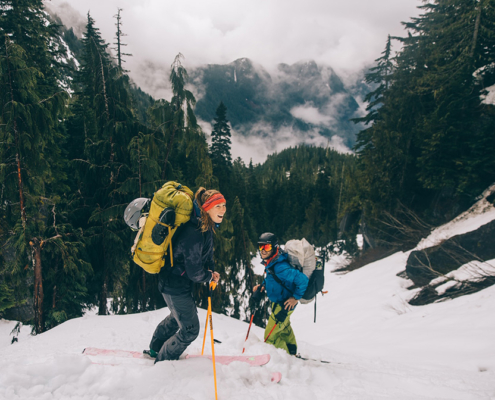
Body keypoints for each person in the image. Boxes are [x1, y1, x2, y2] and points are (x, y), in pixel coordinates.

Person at [147, 187, 226, 362]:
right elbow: (194, 271)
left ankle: (155, 349)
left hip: (173, 283)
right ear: (206, 208)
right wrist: (208, 276)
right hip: (174, 285)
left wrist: (211, 271)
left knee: (177, 318)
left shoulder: (205, 227)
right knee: (190, 329)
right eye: (218, 206)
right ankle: (163, 360)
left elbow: (207, 255)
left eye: (224, 205)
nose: (223, 209)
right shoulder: (194, 232)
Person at [253, 232, 308, 356]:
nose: (263, 250)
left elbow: (303, 280)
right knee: (284, 329)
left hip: (285, 305)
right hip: (279, 303)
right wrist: (262, 286)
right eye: (260, 246)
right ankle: (292, 352)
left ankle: (286, 357)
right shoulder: (272, 262)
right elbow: (274, 280)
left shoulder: (280, 267)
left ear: (275, 247)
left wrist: (295, 298)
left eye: (266, 247)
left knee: (269, 337)